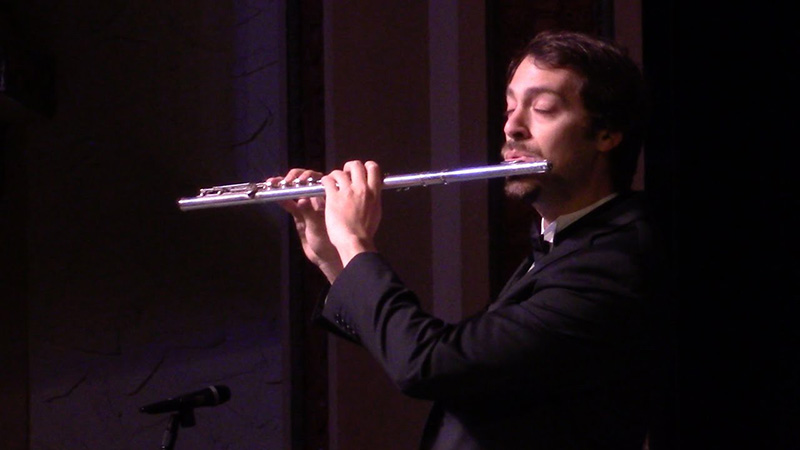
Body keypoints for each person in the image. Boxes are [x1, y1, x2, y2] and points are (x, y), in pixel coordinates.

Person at [270, 30, 669, 450]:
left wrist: (353, 239)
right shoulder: (565, 242)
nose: (512, 127)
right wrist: (334, 258)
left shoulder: (616, 260)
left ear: (607, 133)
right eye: (510, 107)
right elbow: (465, 368)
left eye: (543, 108)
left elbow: (429, 364)